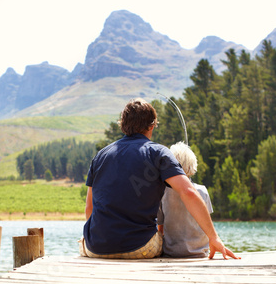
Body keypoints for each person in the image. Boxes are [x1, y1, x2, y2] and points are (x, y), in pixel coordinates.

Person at [80, 98, 238, 260]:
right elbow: (188, 192)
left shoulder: (100, 156)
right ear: (152, 125)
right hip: (140, 248)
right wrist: (213, 237)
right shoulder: (158, 153)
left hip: (95, 248)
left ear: (122, 124)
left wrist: (100, 239)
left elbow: (89, 207)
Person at [158, 142, 213, 258]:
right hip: (200, 253)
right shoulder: (202, 191)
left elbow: (160, 229)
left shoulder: (162, 194)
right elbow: (207, 223)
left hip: (171, 254)